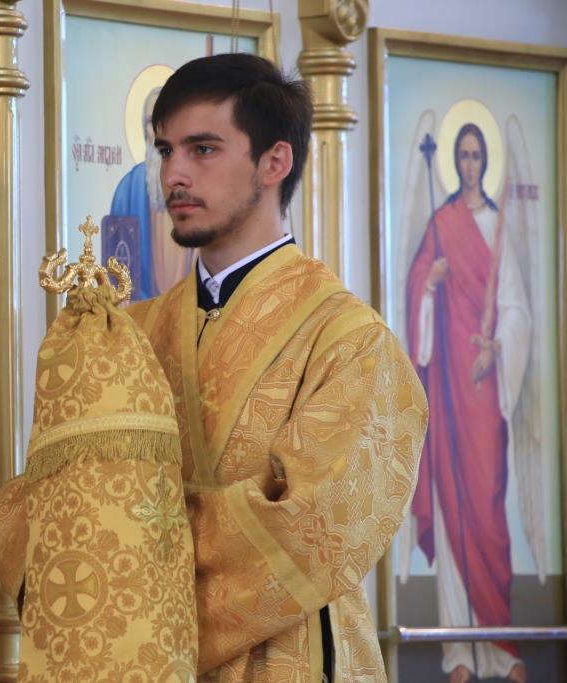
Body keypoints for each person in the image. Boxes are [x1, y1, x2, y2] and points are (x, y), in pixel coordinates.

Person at [126, 53, 428, 681]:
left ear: (274, 162)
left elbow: (310, 529)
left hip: (292, 658)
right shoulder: (134, 333)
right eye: (166, 150)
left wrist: (134, 553)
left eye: (203, 149)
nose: (174, 174)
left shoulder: (348, 340)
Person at [406, 123, 530, 683]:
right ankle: (458, 652)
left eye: (479, 155)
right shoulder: (442, 223)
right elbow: (415, 295)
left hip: (483, 390)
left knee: (487, 504)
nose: (472, 164)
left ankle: (502, 651)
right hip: (448, 390)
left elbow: (517, 307)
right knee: (452, 504)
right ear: (455, 162)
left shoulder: (496, 227)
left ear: (487, 162)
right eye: (465, 156)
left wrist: (497, 347)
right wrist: (430, 284)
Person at [108, 85, 193, 299]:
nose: (157, 129)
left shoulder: (197, 184)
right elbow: (116, 263)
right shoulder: (128, 189)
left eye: (166, 121)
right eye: (150, 122)